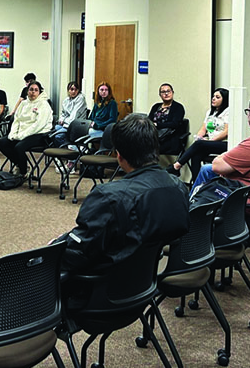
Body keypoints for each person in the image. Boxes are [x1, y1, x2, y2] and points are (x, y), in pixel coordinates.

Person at [54, 113, 190, 288]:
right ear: (156, 149)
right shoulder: (178, 186)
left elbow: (79, 253)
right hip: (145, 288)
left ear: (119, 156)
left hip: (100, 297)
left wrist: (59, 245)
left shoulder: (108, 197)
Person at [0, 80, 53, 176]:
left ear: (39, 92)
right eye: (31, 89)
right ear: (27, 91)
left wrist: (22, 135)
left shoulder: (44, 104)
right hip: (21, 133)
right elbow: (17, 120)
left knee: (19, 147)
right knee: (2, 143)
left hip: (39, 134)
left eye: (36, 90)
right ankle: (21, 165)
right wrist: (13, 133)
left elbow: (39, 124)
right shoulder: (23, 103)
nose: (33, 92)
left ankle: (23, 172)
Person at [172, 88, 229, 177]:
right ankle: (197, 185)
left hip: (224, 143)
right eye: (213, 96)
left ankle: (177, 165)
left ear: (224, 99)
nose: (213, 99)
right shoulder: (210, 112)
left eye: (217, 97)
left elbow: (226, 132)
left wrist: (211, 140)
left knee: (199, 144)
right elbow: (203, 129)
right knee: (196, 155)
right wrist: (199, 136)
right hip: (210, 143)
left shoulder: (227, 112)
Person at [149, 83, 186, 158]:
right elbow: (149, 120)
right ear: (160, 95)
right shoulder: (156, 106)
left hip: (168, 138)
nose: (166, 94)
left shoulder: (178, 107)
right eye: (163, 92)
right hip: (152, 135)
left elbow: (175, 124)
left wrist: (157, 125)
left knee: (144, 146)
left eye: (168, 91)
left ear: (172, 92)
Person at [51, 81, 89, 146]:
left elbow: (74, 117)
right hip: (66, 125)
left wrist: (64, 121)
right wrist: (61, 119)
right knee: (52, 131)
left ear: (78, 90)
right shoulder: (66, 100)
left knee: (58, 136)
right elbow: (63, 113)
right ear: (68, 90)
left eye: (75, 89)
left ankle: (67, 151)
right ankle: (62, 150)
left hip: (76, 125)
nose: (73, 91)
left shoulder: (81, 99)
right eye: (71, 89)